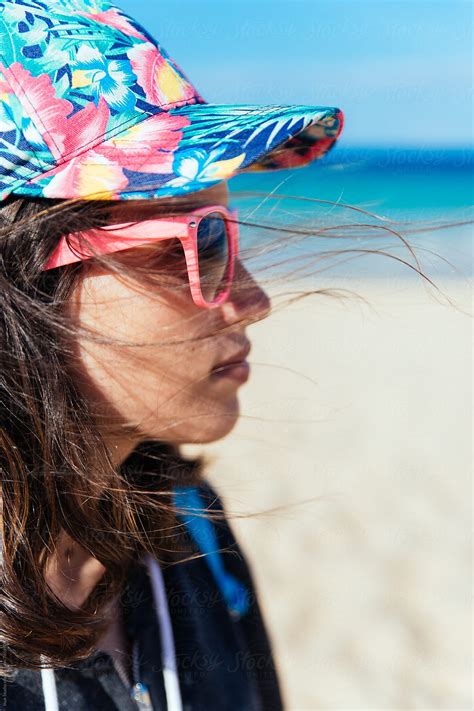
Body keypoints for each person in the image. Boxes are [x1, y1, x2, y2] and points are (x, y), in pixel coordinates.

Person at [0, 1, 344, 709]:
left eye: (232, 233)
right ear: (20, 276)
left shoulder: (188, 526)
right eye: (203, 242)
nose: (251, 299)